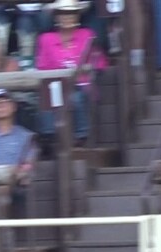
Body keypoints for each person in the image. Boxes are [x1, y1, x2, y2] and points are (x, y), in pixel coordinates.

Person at [35, 0, 108, 146]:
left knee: (76, 96)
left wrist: (85, 72)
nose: (67, 17)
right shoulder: (46, 39)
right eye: (63, 13)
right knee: (48, 94)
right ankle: (50, 137)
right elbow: (42, 67)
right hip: (56, 85)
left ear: (78, 16)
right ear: (56, 17)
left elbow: (100, 63)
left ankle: (81, 137)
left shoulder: (87, 35)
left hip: (82, 84)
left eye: (72, 13)